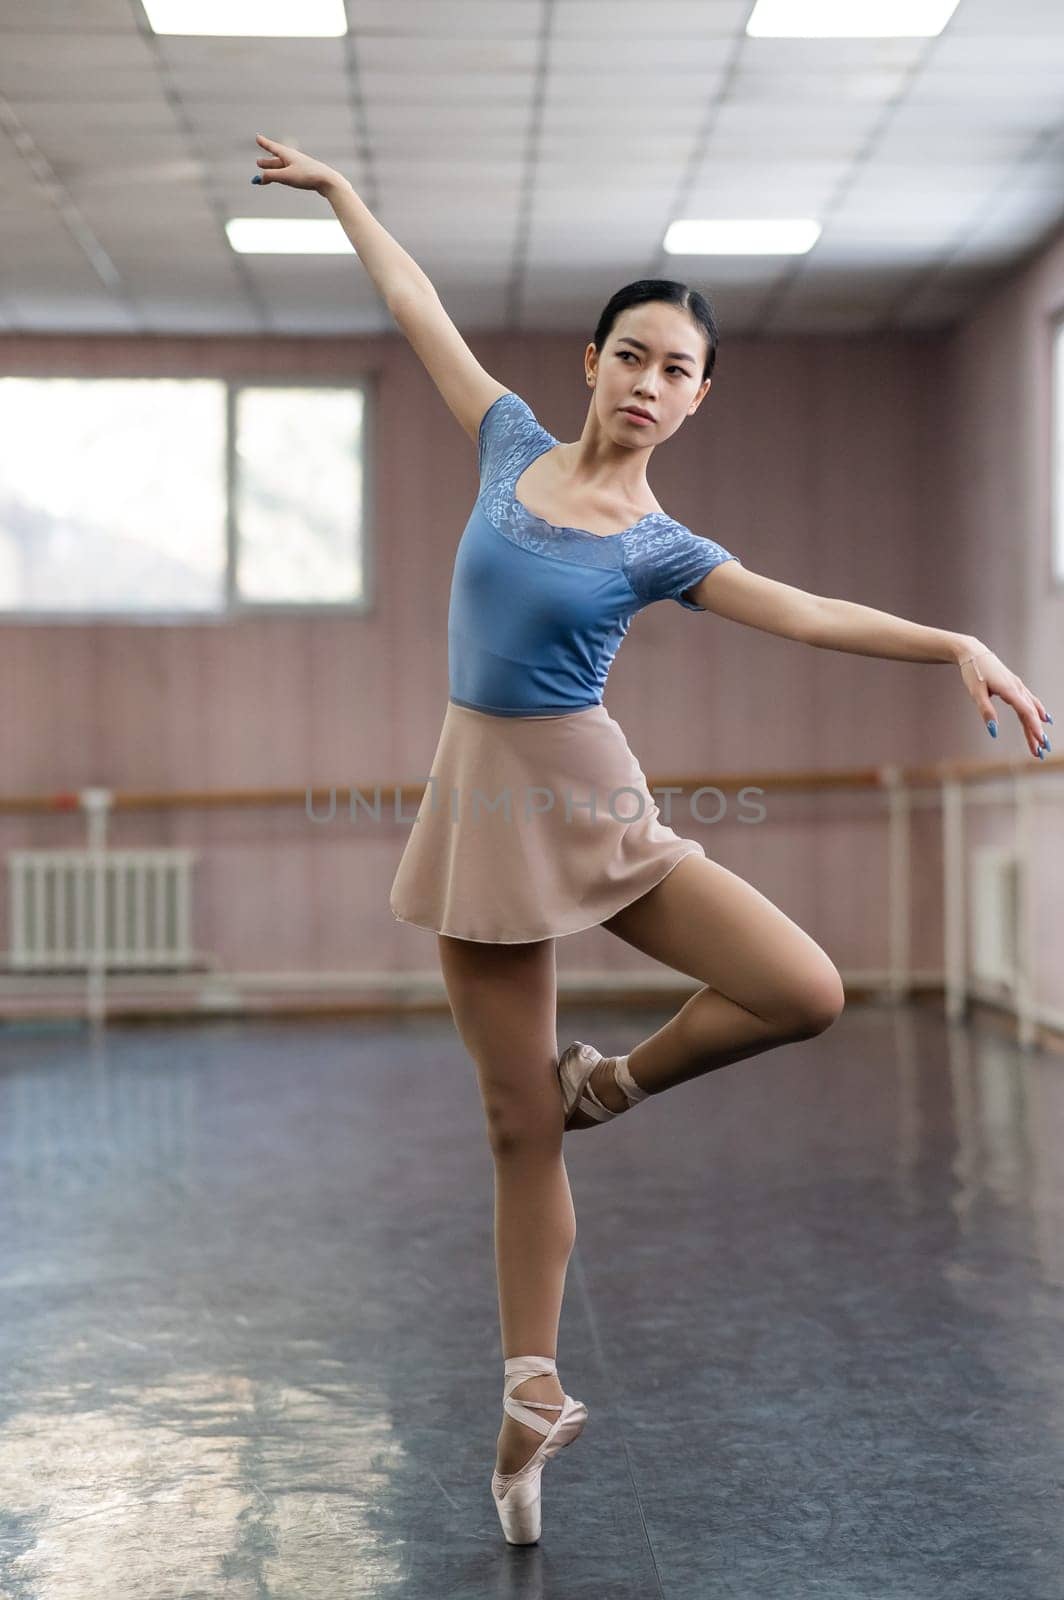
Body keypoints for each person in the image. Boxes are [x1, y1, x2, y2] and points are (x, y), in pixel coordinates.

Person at [252, 133, 1054, 1546]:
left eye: (677, 368)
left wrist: (956, 645)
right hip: (484, 807)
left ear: (695, 401)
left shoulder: (661, 547)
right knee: (512, 1128)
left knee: (803, 989)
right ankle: (528, 1399)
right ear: (593, 364)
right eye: (632, 353)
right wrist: (342, 196)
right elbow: (418, 311)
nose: (648, 380)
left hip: (599, 802)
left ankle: (608, 1088)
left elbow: (805, 611)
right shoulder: (506, 444)